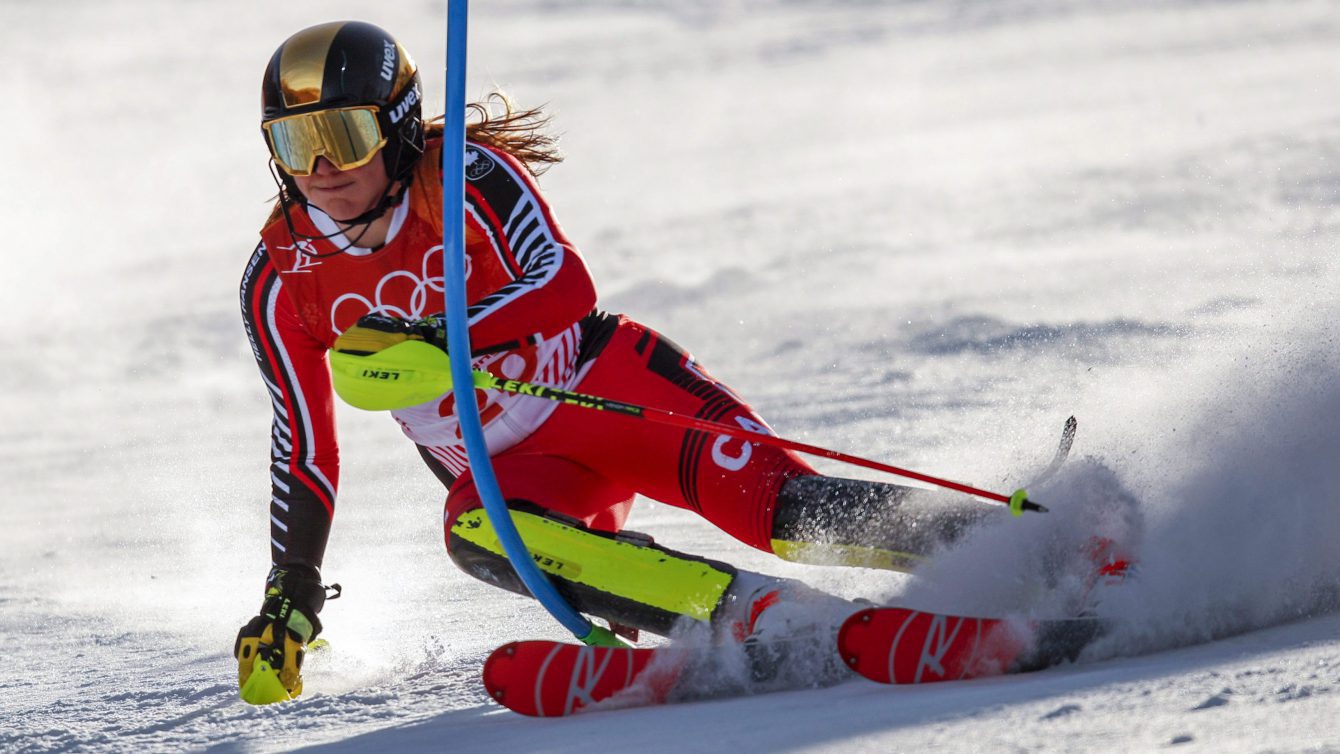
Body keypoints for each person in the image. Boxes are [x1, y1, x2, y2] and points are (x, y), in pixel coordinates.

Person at [234, 20, 1000, 704]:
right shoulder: (279, 278)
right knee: (476, 530)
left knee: (786, 513)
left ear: (396, 128)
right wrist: (293, 588)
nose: (323, 167)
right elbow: (304, 443)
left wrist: (440, 338)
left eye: (346, 134)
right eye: (295, 142)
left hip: (611, 392)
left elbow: (566, 284)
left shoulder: (466, 176)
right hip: (519, 475)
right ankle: (767, 616)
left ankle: (1021, 547)